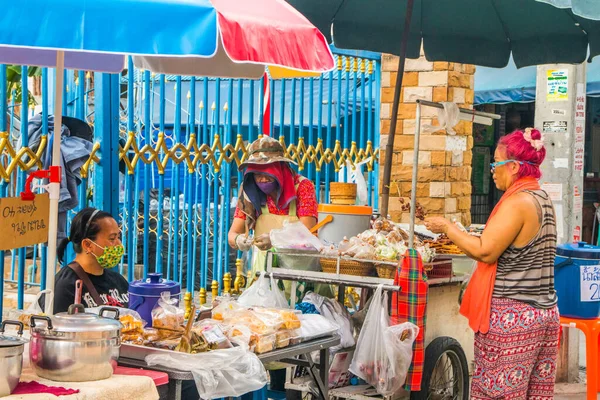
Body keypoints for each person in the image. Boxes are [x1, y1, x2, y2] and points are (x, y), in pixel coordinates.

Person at [424, 128, 559, 399]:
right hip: (543, 314)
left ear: (513, 167)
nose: (492, 170)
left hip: (513, 317)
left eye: (496, 164)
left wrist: (448, 228)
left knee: (497, 394)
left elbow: (486, 251)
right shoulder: (542, 198)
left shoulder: (518, 202)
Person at [228, 135, 319, 278]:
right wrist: (240, 240)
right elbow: (232, 235)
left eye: (268, 173)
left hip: (298, 270)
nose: (263, 179)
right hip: (263, 272)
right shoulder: (250, 191)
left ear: (280, 168)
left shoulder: (302, 186)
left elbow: (307, 231)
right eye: (257, 174)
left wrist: (275, 239)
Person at [48, 207, 129, 313]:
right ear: (87, 245)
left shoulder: (119, 281)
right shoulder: (65, 286)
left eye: (119, 237)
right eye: (112, 239)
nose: (119, 244)